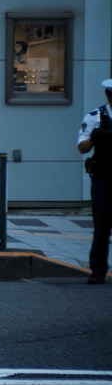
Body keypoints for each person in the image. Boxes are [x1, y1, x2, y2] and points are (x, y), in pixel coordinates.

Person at [77, 78, 112, 285]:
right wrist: (95, 137)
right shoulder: (95, 117)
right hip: (103, 178)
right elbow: (82, 147)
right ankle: (98, 270)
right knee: (101, 226)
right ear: (108, 94)